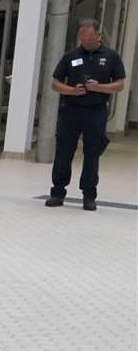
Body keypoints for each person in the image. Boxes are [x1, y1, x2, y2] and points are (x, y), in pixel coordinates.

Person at [47, 18, 126, 210]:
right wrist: (71, 90)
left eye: (89, 37)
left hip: (96, 111)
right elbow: (55, 83)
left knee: (92, 153)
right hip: (71, 110)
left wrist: (99, 87)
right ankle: (57, 192)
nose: (86, 41)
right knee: (64, 151)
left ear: (98, 35)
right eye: (82, 37)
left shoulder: (111, 56)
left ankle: (89, 195)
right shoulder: (71, 56)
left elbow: (120, 84)